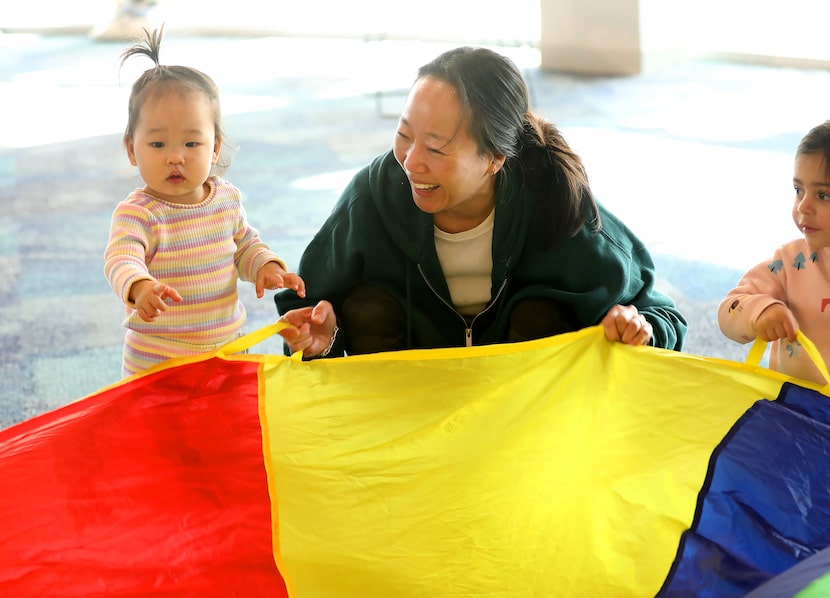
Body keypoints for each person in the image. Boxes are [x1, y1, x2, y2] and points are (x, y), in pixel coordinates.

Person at [275, 46, 686, 358]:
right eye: (404, 136)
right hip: (405, 398)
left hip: (515, 411)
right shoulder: (372, 196)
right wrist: (321, 338)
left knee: (542, 315)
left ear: (494, 159)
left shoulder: (554, 205)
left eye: (436, 149)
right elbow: (303, 303)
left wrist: (637, 328)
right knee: (367, 307)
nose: (411, 162)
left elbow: (664, 318)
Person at [105, 27, 304, 377]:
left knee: (224, 423)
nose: (176, 157)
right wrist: (139, 287)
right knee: (157, 430)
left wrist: (266, 266)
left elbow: (244, 246)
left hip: (225, 348)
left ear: (214, 147)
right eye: (158, 145)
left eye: (191, 144)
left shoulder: (226, 198)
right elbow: (121, 259)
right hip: (157, 360)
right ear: (131, 150)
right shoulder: (137, 214)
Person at [719, 120, 830, 385]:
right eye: (798, 190)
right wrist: (761, 312)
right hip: (794, 413)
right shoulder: (791, 263)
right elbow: (728, 311)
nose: (803, 206)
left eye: (823, 195)